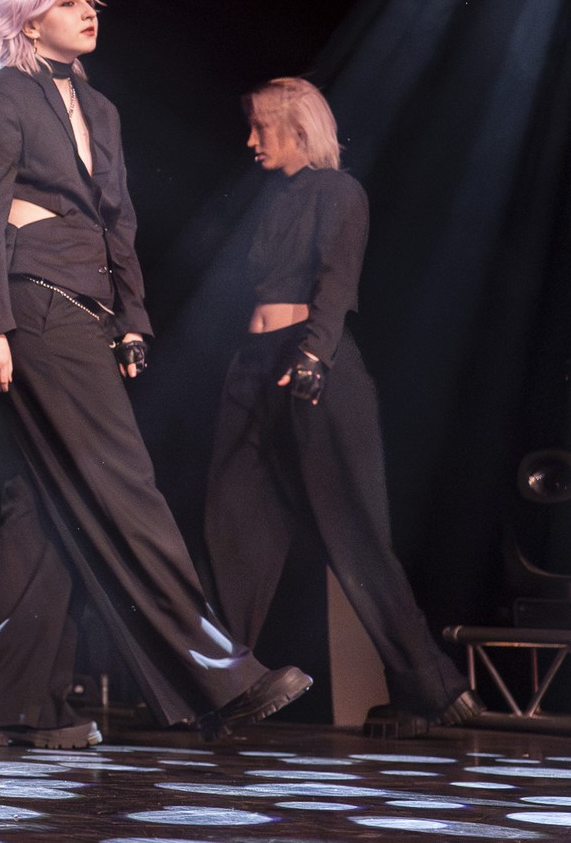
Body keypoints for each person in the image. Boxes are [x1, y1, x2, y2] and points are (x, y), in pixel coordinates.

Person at [0, 0, 309, 748]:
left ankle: (13, 708)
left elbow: (119, 221)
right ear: (27, 21)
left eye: (92, 1)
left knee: (37, 507)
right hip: (35, 308)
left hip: (88, 308)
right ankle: (219, 677)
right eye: (68, 2)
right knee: (123, 484)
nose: (90, 12)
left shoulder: (100, 109)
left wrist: (133, 319)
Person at [204, 77, 481, 737]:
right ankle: (219, 687)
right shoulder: (272, 200)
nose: (250, 140)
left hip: (313, 365)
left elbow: (337, 281)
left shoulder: (338, 192)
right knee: (233, 527)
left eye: (261, 127)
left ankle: (430, 688)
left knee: (354, 533)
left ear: (299, 129)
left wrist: (313, 356)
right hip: (252, 370)